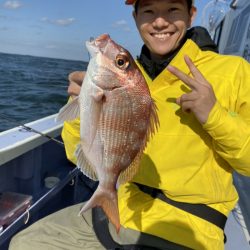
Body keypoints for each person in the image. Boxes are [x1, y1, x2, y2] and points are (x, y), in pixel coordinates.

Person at [9, 0, 250, 249]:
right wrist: (80, 105)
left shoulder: (235, 71)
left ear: (191, 14)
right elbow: (76, 152)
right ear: (135, 17)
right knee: (24, 242)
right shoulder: (131, 76)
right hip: (121, 208)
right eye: (148, 11)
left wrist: (215, 115)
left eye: (173, 9)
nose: (159, 21)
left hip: (188, 227)